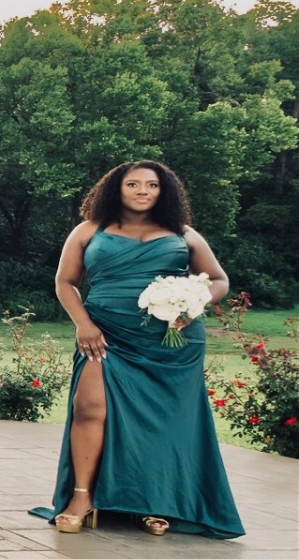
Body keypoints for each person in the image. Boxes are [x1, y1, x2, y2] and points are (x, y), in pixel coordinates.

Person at [34, 160, 243, 539]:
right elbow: (65, 282)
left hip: (169, 342)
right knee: (89, 407)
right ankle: (81, 498)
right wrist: (84, 323)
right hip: (103, 334)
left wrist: (193, 304)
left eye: (152, 185)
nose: (143, 191)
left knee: (160, 422)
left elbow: (219, 280)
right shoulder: (89, 230)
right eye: (133, 184)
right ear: (117, 188)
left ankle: (152, 502)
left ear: (165, 191)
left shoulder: (183, 234)